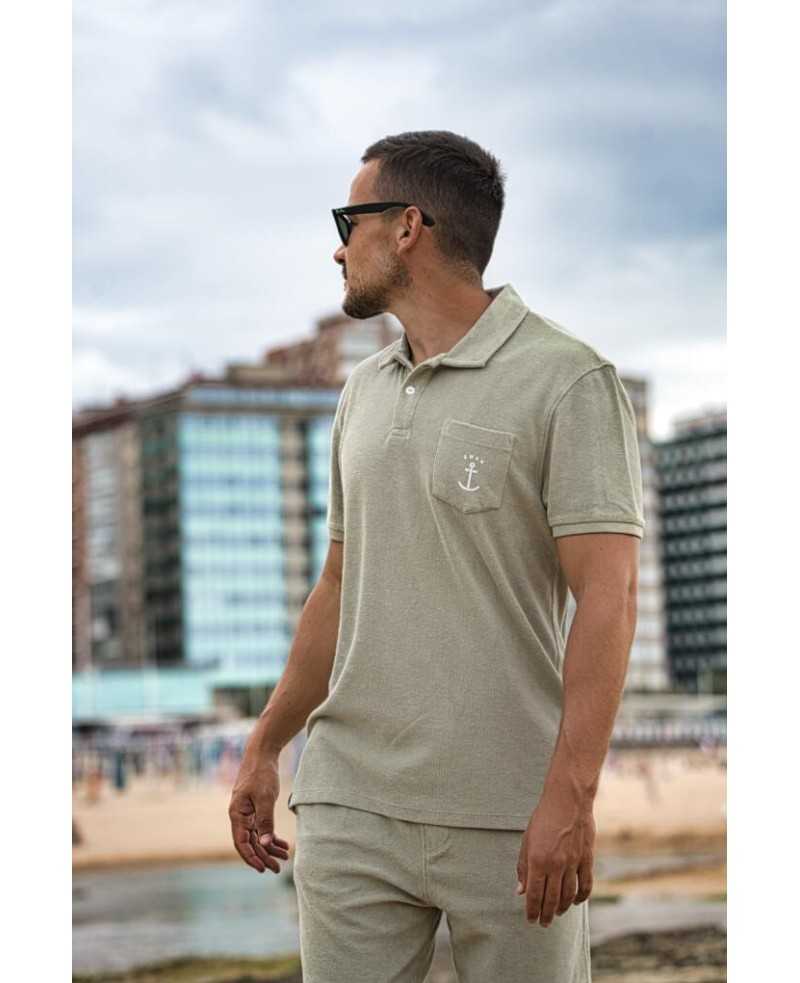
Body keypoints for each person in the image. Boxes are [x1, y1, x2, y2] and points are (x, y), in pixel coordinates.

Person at [228, 130, 645, 983]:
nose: (337, 248)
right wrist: (265, 743)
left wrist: (572, 794)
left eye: (349, 222)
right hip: (349, 803)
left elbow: (609, 597)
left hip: (509, 808)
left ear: (408, 226)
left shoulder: (568, 379)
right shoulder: (361, 393)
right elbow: (338, 584)